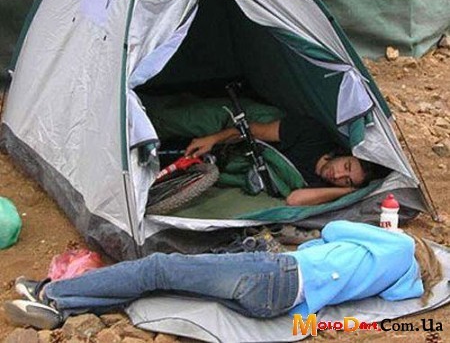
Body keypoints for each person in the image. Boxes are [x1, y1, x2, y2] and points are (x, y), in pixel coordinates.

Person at [4, 221, 441, 330]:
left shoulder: (400, 247)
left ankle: (50, 293)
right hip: (274, 303)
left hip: (276, 275)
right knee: (165, 285)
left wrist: (396, 234)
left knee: (159, 268)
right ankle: (64, 308)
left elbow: (334, 229)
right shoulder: (399, 286)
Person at [185, 114, 391, 206]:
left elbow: (294, 199)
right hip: (243, 129)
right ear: (345, 153)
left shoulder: (322, 188)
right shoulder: (313, 134)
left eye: (346, 180)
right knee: (188, 119)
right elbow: (254, 130)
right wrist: (213, 139)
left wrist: (346, 192)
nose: (337, 175)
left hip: (245, 162)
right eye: (346, 166)